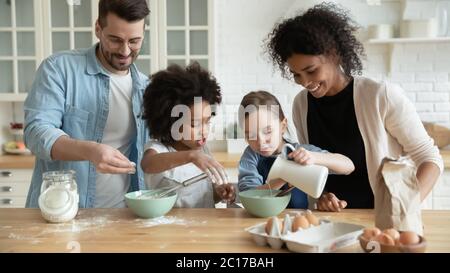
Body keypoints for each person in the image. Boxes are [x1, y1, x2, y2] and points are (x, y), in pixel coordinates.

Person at [265, 2, 443, 211]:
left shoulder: (380, 96)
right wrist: (323, 197)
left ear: (334, 54)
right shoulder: (301, 104)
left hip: (383, 221)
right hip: (331, 224)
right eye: (296, 74)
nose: (305, 82)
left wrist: (405, 208)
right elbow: (314, 166)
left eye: (311, 71)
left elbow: (429, 158)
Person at [24, 0, 150, 208]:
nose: (125, 51)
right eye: (115, 40)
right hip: (61, 214)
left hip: (123, 217)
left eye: (134, 41)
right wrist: (90, 151)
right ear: (98, 29)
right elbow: (36, 133)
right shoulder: (59, 69)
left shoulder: (146, 88)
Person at [237, 90, 354, 209]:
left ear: (283, 126)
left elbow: (349, 166)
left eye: (268, 132)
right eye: (251, 135)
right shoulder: (251, 156)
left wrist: (314, 157)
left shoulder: (298, 151)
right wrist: (283, 177)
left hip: (297, 218)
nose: (261, 142)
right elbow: (249, 195)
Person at [141, 62, 235, 208]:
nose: (203, 131)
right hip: (170, 230)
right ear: (170, 122)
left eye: (207, 122)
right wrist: (190, 156)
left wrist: (220, 193)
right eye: (194, 124)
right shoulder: (159, 149)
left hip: (202, 228)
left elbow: (204, 196)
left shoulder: (203, 151)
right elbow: (147, 164)